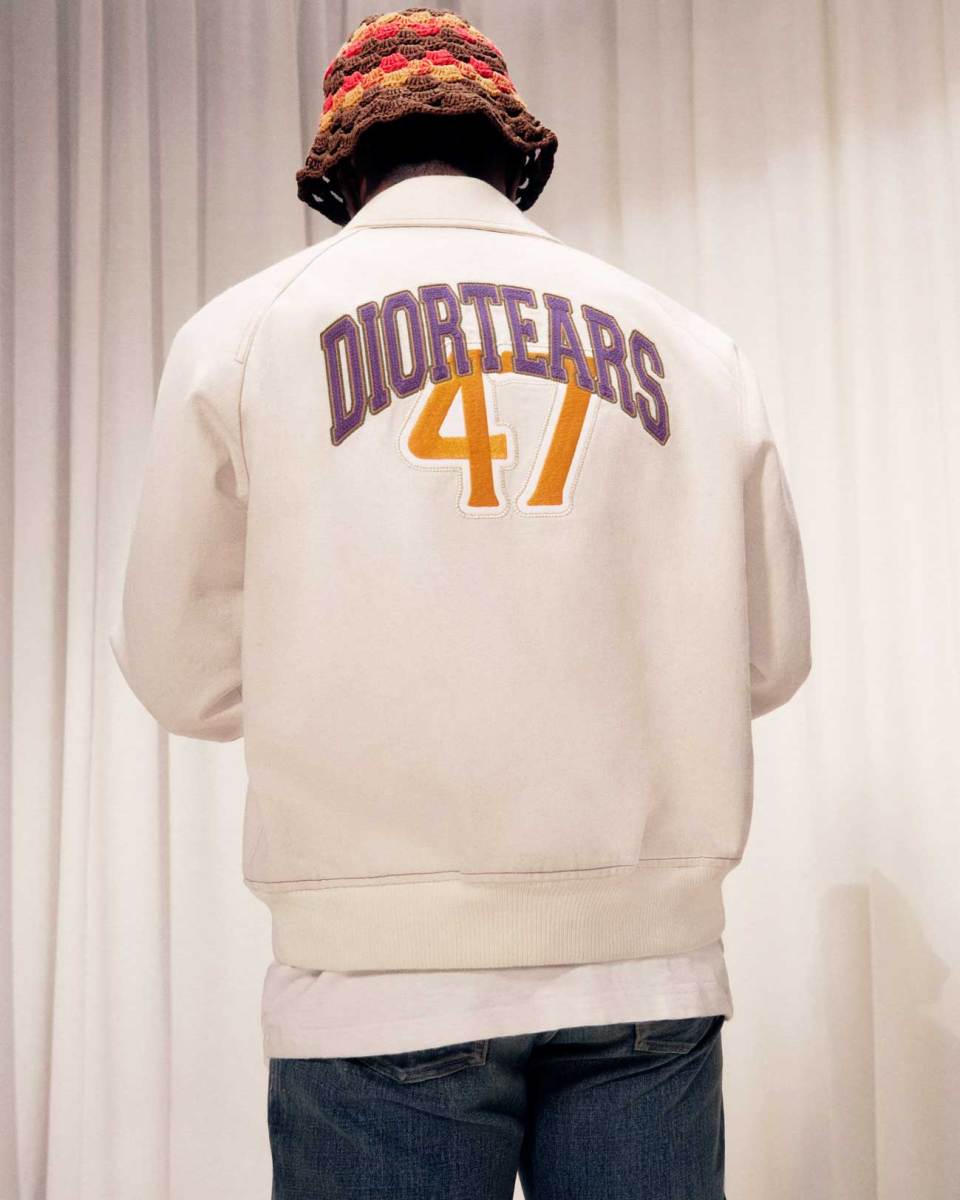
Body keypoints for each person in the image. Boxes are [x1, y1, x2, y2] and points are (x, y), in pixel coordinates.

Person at [110, 7, 812, 1199]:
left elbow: (182, 678)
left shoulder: (247, 332)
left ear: (346, 165)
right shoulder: (690, 344)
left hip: (380, 980)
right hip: (649, 966)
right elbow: (771, 657)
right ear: (510, 154)